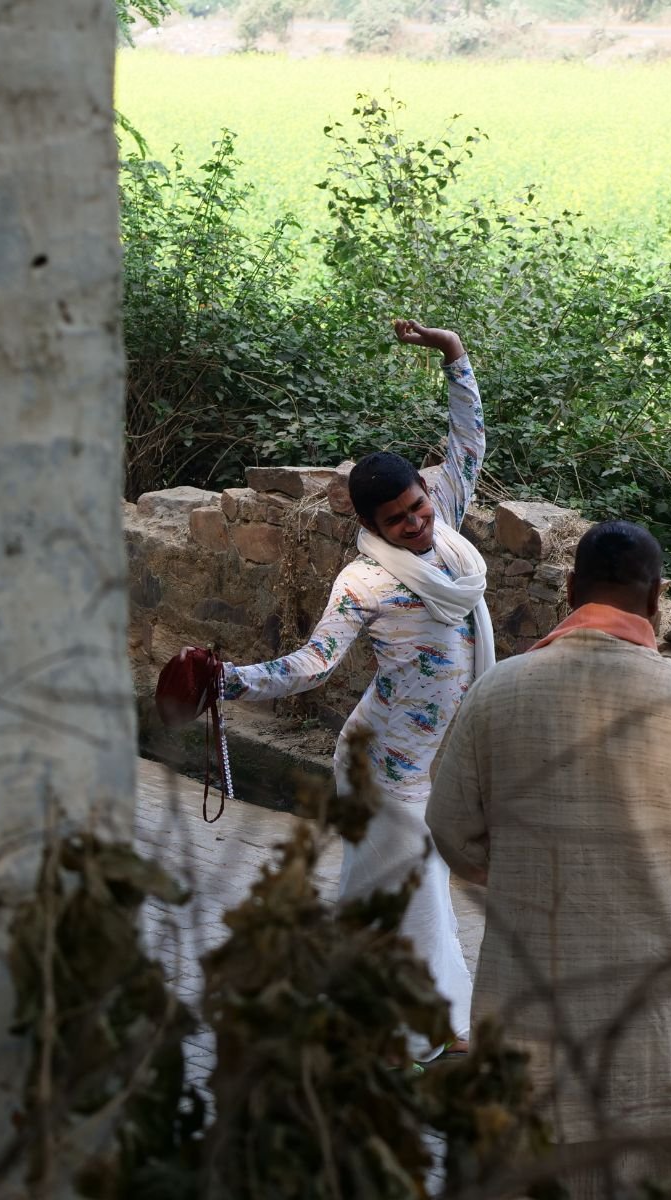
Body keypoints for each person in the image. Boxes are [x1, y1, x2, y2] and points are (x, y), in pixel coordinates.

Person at [425, 520, 671, 1197]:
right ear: (658, 597)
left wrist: (521, 870)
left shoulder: (497, 691)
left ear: (569, 588)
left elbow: (451, 830)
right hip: (661, 1019)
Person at [218, 319, 486, 1060]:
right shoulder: (363, 581)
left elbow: (468, 441)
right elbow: (313, 664)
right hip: (380, 768)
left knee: (403, 895)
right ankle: (423, 1031)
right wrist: (230, 682)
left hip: (428, 764)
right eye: (397, 520)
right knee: (415, 894)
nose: (417, 523)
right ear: (370, 526)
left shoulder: (449, 528)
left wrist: (452, 353)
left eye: (418, 506)